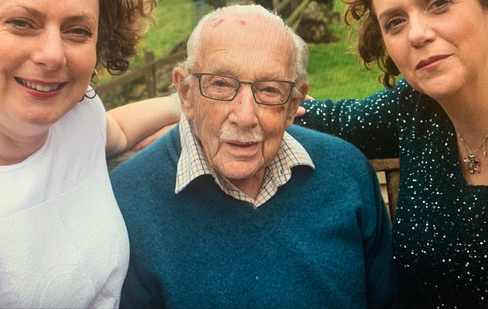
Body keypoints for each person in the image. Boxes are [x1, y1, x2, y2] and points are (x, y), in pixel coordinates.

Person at [111, 5, 398, 308]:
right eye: (220, 85)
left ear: (293, 104)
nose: (244, 116)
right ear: (186, 94)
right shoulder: (128, 200)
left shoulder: (346, 173)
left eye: (270, 90)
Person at [291, 0, 488, 307]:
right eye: (395, 22)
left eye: (438, 4)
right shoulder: (413, 108)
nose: (417, 34)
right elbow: (326, 118)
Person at [0, 0, 178, 307]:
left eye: (78, 30)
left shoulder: (80, 116)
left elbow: (118, 129)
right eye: (20, 23)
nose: (53, 54)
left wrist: (198, 105)